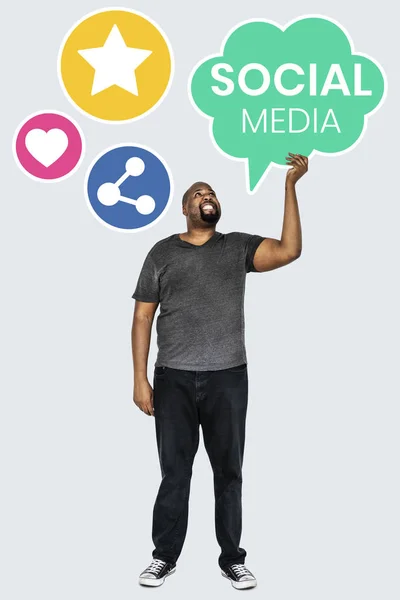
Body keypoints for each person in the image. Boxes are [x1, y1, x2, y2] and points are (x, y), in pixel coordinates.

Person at [131, 153, 308, 589]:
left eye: (211, 193)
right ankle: (164, 557)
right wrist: (139, 378)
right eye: (199, 193)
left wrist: (290, 187)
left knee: (229, 471)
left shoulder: (236, 246)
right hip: (173, 378)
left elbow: (289, 250)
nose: (207, 197)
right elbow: (141, 318)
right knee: (175, 472)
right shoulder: (161, 252)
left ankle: (232, 558)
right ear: (185, 208)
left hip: (228, 376)